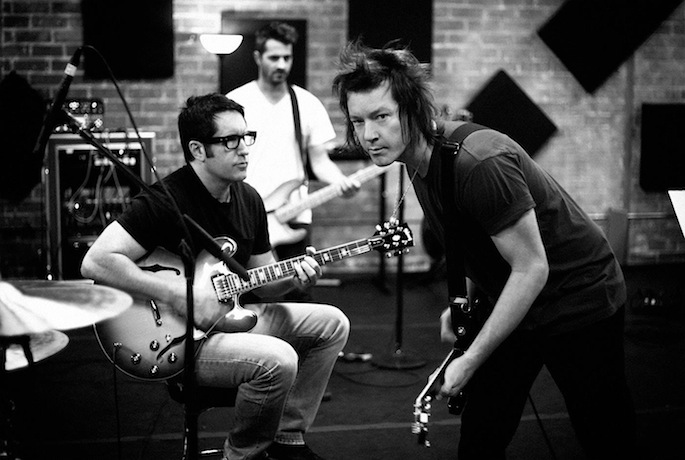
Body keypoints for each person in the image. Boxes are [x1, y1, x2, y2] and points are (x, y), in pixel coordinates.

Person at [333, 42, 637, 459]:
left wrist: (472, 358)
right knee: (482, 432)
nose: (368, 134)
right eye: (358, 120)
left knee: (604, 433)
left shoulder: (479, 162)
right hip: (515, 295)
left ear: (414, 109)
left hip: (579, 298)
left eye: (381, 116)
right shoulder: (418, 162)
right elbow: (474, 238)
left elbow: (531, 268)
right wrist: (468, 298)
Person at [80, 93, 349, 460]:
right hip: (181, 340)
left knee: (332, 323)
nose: (245, 149)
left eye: (247, 136)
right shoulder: (166, 200)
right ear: (198, 149)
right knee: (279, 359)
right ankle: (240, 455)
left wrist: (295, 278)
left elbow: (263, 282)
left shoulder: (249, 199)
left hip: (231, 319)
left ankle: (287, 439)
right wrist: (178, 293)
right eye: (230, 141)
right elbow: (96, 262)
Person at [227, 22, 359, 300]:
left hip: (293, 214)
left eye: (287, 57)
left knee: (298, 291)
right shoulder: (236, 102)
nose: (281, 64)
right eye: (274, 57)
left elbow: (319, 161)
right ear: (257, 57)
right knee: (247, 295)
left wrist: (341, 182)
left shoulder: (306, 103)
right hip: (247, 214)